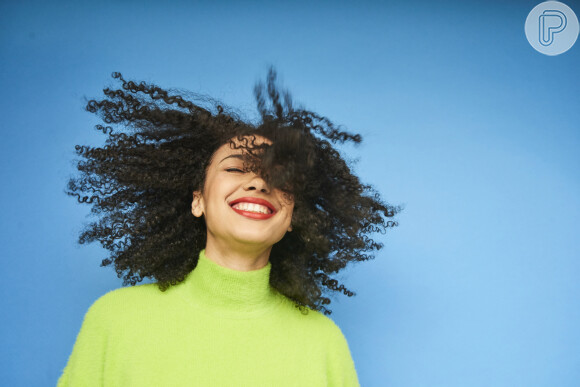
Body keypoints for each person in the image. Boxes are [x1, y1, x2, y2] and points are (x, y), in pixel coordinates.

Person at [57, 69, 401, 386]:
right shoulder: (114, 318)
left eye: (278, 178)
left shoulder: (323, 341)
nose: (258, 184)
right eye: (236, 169)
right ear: (198, 200)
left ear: (294, 217)